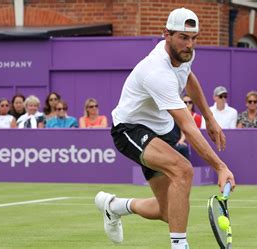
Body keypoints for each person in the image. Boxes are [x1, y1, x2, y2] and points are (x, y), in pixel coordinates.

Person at [95, 8, 235, 249]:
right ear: (166, 35)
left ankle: (114, 206)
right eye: (183, 37)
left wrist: (210, 117)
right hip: (131, 128)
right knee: (184, 170)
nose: (189, 44)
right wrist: (220, 167)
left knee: (169, 213)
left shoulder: (185, 54)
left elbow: (189, 78)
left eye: (193, 38)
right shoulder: (156, 71)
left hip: (162, 128)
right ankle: (180, 246)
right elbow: (188, 128)